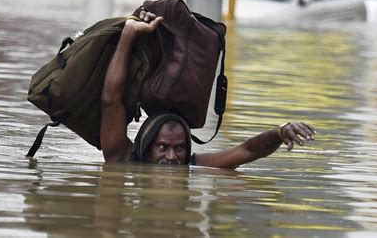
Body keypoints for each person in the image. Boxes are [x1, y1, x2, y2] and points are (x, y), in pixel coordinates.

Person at [100, 10, 316, 169]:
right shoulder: (123, 159)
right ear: (146, 148)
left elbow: (246, 151)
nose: (173, 157)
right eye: (162, 147)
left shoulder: (191, 167)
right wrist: (129, 34)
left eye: (180, 148)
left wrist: (279, 132)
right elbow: (111, 99)